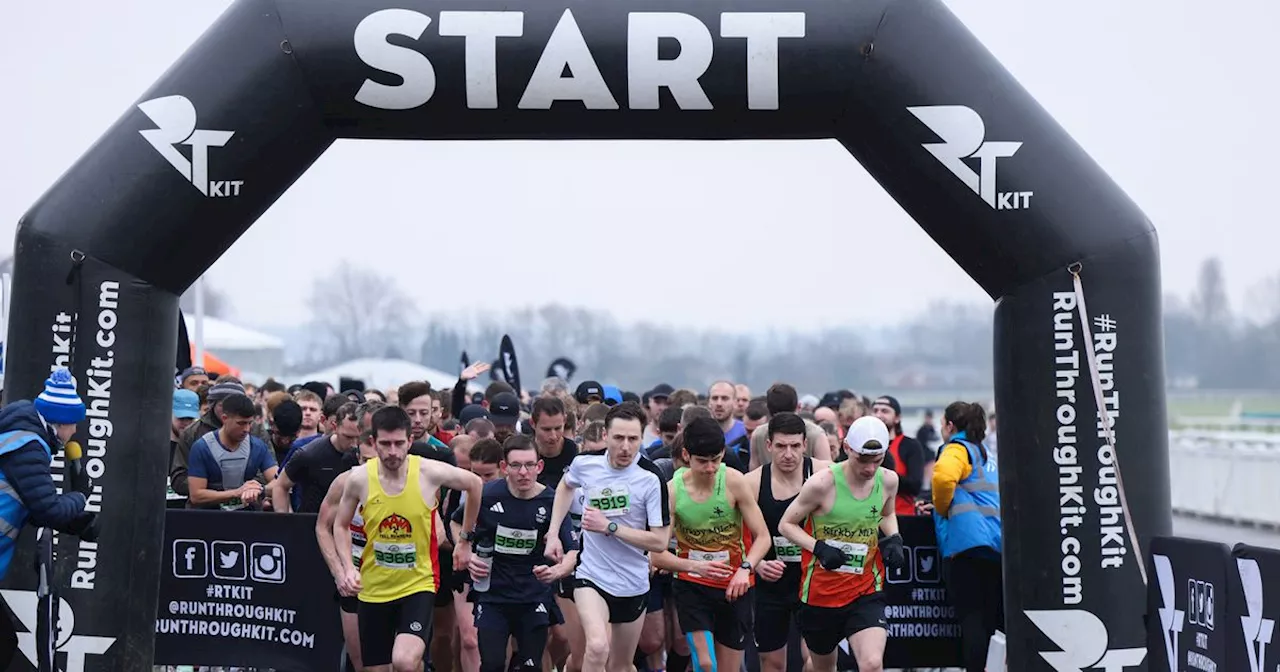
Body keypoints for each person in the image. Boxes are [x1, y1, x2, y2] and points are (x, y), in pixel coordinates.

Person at [333, 406, 484, 672]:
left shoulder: (429, 472)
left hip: (418, 584)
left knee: (404, 661)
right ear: (373, 442)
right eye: (385, 444)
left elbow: (475, 485)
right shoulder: (359, 479)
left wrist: (465, 539)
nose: (393, 452)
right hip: (373, 588)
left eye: (399, 443)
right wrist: (347, 568)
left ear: (410, 441)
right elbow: (340, 525)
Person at [546, 402, 670, 672]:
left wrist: (610, 527)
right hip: (592, 574)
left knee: (622, 666)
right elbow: (565, 488)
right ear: (606, 436)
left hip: (632, 581)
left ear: (641, 438)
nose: (626, 447)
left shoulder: (650, 478)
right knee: (598, 647)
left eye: (633, 439)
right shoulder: (585, 464)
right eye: (619, 438)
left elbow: (659, 541)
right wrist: (553, 533)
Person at [778, 416, 907, 672]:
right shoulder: (821, 484)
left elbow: (887, 513)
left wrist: (894, 538)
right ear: (847, 448)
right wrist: (819, 548)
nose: (870, 468)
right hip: (821, 594)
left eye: (877, 460)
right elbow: (786, 525)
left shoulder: (889, 480)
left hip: (866, 588)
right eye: (863, 459)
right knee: (822, 667)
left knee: (871, 663)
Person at [651, 416, 771, 672]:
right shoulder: (673, 490)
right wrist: (694, 567)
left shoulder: (734, 481)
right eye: (702, 462)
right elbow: (657, 555)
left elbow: (763, 536)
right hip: (692, 587)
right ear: (686, 455)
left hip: (734, 586)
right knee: (706, 664)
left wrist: (745, 569)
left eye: (716, 459)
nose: (710, 468)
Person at [0, 368, 99, 668]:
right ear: (60, 424)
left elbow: (28, 505)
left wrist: (75, 522)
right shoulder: (29, 446)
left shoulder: (20, 434)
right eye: (74, 426)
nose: (75, 434)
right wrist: (80, 496)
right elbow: (48, 509)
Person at [462, 435, 579, 672]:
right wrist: (466, 550)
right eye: (516, 465)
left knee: (530, 666)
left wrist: (556, 571)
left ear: (540, 467)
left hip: (533, 596)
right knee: (492, 664)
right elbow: (456, 523)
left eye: (529, 465)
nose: (523, 472)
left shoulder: (551, 501)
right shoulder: (487, 494)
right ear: (504, 468)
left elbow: (574, 551)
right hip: (493, 595)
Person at [742, 412, 830, 672]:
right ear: (769, 446)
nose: (788, 454)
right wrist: (756, 564)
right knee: (772, 663)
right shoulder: (753, 482)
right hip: (773, 583)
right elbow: (737, 534)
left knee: (816, 660)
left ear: (805, 444)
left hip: (814, 580)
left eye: (795, 446)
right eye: (780, 446)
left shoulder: (825, 474)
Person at [930, 401, 1002, 672]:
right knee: (991, 621)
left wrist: (940, 506)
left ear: (950, 426)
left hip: (966, 547)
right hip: (994, 544)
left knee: (972, 621)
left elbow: (943, 478)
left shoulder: (956, 449)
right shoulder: (985, 454)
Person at [316, 404, 383, 672]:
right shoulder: (345, 482)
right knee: (361, 662)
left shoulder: (408, 484)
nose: (369, 468)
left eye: (374, 461)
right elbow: (323, 527)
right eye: (364, 461)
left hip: (394, 581)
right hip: (355, 579)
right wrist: (340, 572)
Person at [186, 393, 278, 511]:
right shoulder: (202, 447)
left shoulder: (257, 446)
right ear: (225, 418)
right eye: (241, 423)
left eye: (249, 423)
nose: (247, 429)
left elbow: (278, 482)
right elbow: (196, 495)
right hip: (208, 517)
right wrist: (237, 493)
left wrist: (259, 489)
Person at [869, 395, 926, 516]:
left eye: (884, 411)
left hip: (901, 515)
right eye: (875, 411)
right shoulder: (861, 445)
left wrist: (882, 475)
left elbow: (915, 485)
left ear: (897, 418)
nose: (878, 415)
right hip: (868, 516)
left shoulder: (910, 445)